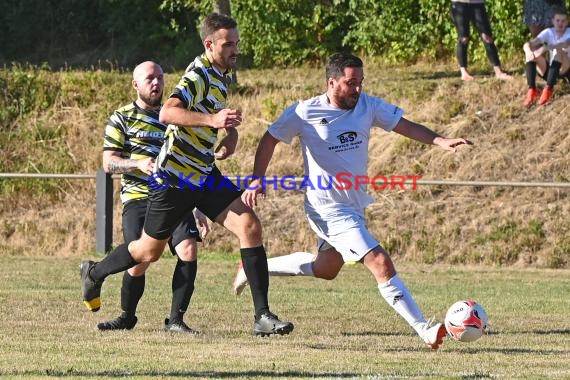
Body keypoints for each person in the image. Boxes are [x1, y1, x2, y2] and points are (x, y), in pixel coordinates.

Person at [237, 52, 472, 350]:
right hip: (327, 208)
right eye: (351, 83)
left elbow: (404, 125)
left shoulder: (368, 105)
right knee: (380, 262)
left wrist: (439, 140)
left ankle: (252, 268)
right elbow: (270, 138)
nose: (357, 89)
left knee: (326, 268)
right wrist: (257, 177)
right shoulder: (304, 112)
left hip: (353, 204)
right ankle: (424, 328)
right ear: (332, 82)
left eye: (360, 82)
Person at [80, 13, 293, 337]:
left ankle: (262, 317)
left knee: (249, 225)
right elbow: (168, 112)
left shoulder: (222, 75)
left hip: (203, 172)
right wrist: (212, 121)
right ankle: (95, 272)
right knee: (148, 252)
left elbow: (213, 121)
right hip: (176, 177)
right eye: (228, 44)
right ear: (209, 45)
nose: (235, 49)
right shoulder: (199, 74)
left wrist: (228, 135)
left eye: (236, 42)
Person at [99, 61, 210, 333]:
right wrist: (137, 163)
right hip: (138, 197)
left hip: (175, 195)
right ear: (135, 85)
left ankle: (175, 320)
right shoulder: (122, 117)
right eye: (149, 78)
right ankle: (127, 315)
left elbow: (189, 162)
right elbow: (108, 162)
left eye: (160, 77)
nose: (156, 83)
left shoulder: (174, 117)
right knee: (141, 258)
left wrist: (197, 207)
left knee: (188, 248)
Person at [450, 0, 512, 81]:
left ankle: (498, 71)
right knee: (463, 38)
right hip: (459, 4)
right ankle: (464, 73)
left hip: (477, 4)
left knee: (487, 37)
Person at [522, 6, 570, 106]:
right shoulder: (549, 32)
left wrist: (545, 48)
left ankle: (548, 89)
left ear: (567, 22)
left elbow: (565, 44)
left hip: (566, 69)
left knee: (559, 51)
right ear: (553, 21)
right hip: (552, 70)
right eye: (558, 20)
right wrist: (528, 51)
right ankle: (532, 89)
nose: (560, 23)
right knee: (532, 51)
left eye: (563, 21)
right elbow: (529, 44)